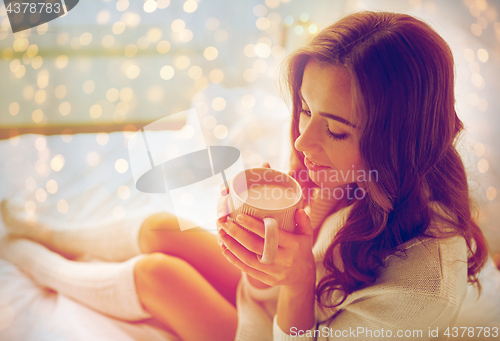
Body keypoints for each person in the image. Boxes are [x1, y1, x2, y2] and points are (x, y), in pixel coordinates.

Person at [0, 10, 489, 341]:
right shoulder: (349, 170)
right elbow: (267, 280)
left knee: (159, 277)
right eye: (304, 110)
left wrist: (296, 281)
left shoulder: (422, 288)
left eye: (335, 130)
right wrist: (264, 239)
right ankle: (37, 232)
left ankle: (24, 255)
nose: (302, 142)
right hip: (277, 303)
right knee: (160, 228)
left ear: (397, 138)